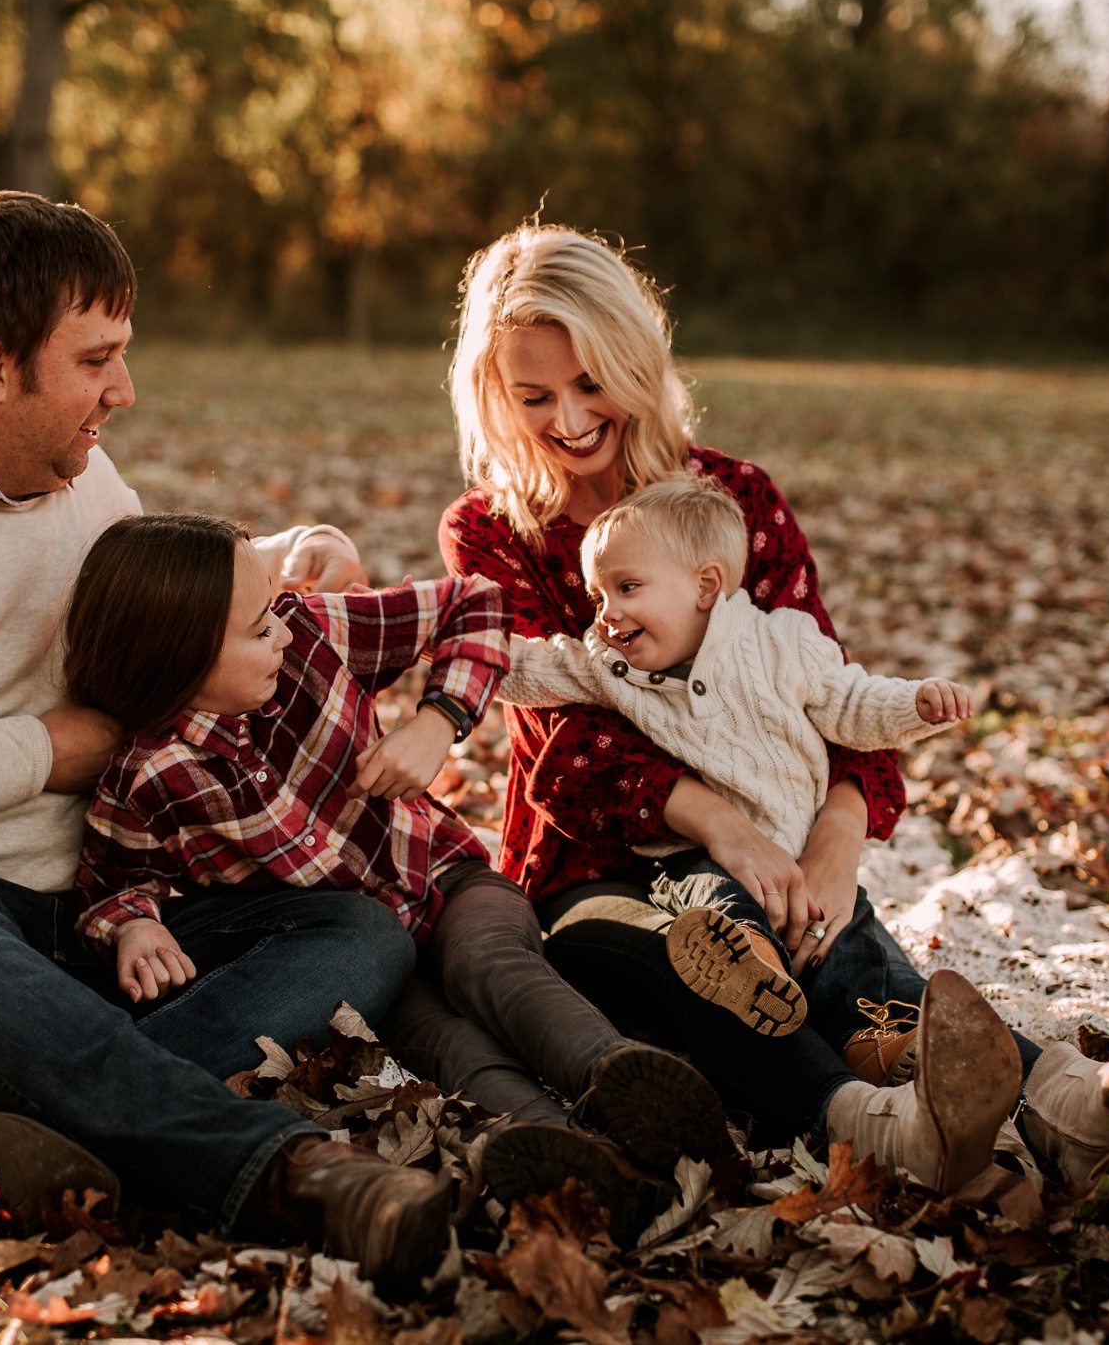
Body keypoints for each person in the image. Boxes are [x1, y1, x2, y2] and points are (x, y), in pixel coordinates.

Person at [0, 191, 451, 1286]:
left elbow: (167, 610)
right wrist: (48, 750)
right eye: (96, 359)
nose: (124, 389)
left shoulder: (80, 474)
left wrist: (294, 551)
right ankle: (295, 1176)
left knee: (358, 926)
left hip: (81, 904)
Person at [434, 223, 1109, 1193]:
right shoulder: (490, 529)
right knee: (714, 960)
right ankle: (878, 1128)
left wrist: (833, 845)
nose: (567, 417)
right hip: (600, 863)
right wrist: (723, 831)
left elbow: (824, 683)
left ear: (637, 360)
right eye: (533, 396)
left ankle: (1077, 1110)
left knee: (848, 961)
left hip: (778, 822)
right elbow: (561, 743)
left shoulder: (733, 497)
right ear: (493, 396)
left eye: (591, 382)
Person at [62, 513, 730, 1241]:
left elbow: (477, 601)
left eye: (273, 615)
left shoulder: (311, 632)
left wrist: (436, 720)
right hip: (366, 947)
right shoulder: (150, 777)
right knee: (443, 1042)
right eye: (258, 630)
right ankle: (581, 1164)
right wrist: (132, 924)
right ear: (179, 658)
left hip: (444, 875)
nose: (279, 633)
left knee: (487, 964)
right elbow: (111, 881)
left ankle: (632, 1086)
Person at [500, 474, 974, 1038]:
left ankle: (893, 1042)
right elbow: (528, 668)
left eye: (627, 588)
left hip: (802, 860)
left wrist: (916, 704)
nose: (606, 613)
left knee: (851, 958)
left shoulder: (785, 643)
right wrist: (443, 635)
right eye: (599, 596)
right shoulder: (612, 666)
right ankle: (746, 977)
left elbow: (851, 702)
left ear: (706, 586)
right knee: (718, 903)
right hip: (695, 858)